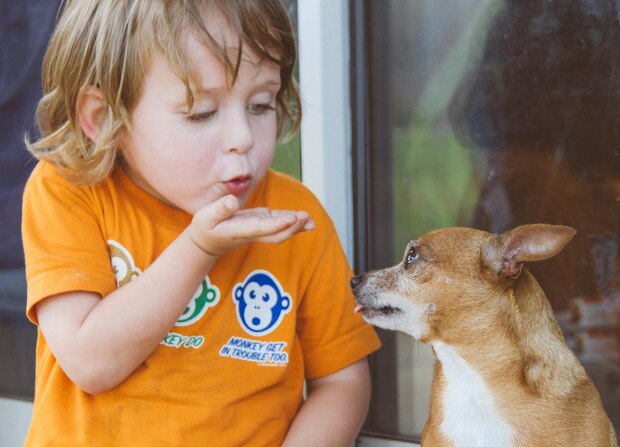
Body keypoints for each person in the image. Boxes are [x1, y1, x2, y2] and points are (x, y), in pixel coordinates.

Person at [21, 1, 381, 445]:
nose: (242, 138)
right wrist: (199, 248)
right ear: (103, 119)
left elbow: (342, 382)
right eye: (201, 113)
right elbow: (91, 364)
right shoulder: (70, 191)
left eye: (261, 105)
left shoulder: (295, 214)